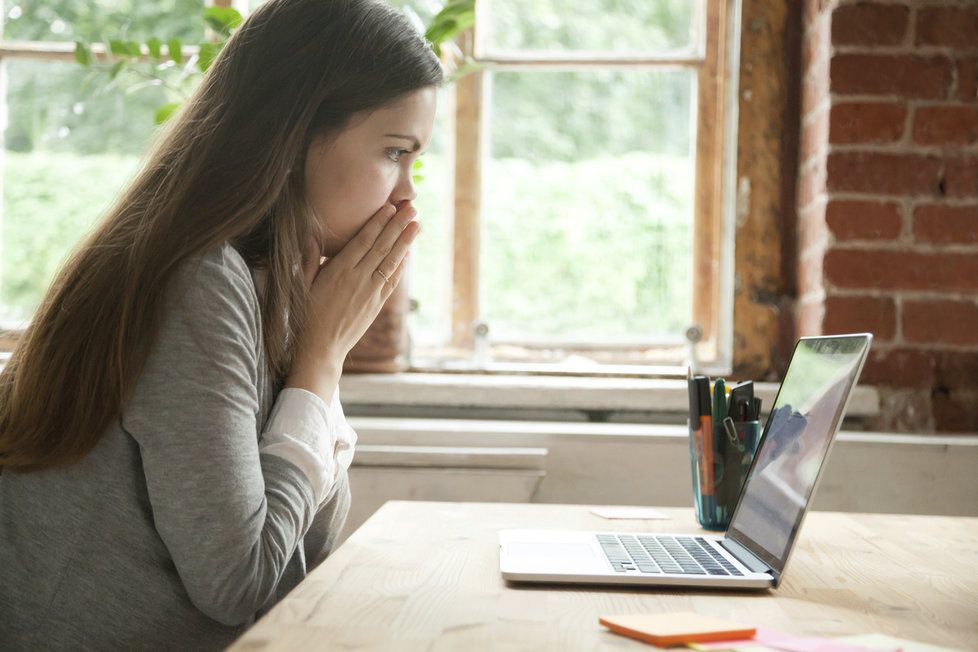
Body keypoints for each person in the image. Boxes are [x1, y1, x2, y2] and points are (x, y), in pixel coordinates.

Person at [0, 0, 441, 648]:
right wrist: (319, 364)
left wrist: (320, 348)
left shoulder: (263, 282)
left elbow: (302, 557)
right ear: (294, 139)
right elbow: (244, 586)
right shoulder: (199, 283)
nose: (406, 196)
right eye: (394, 153)